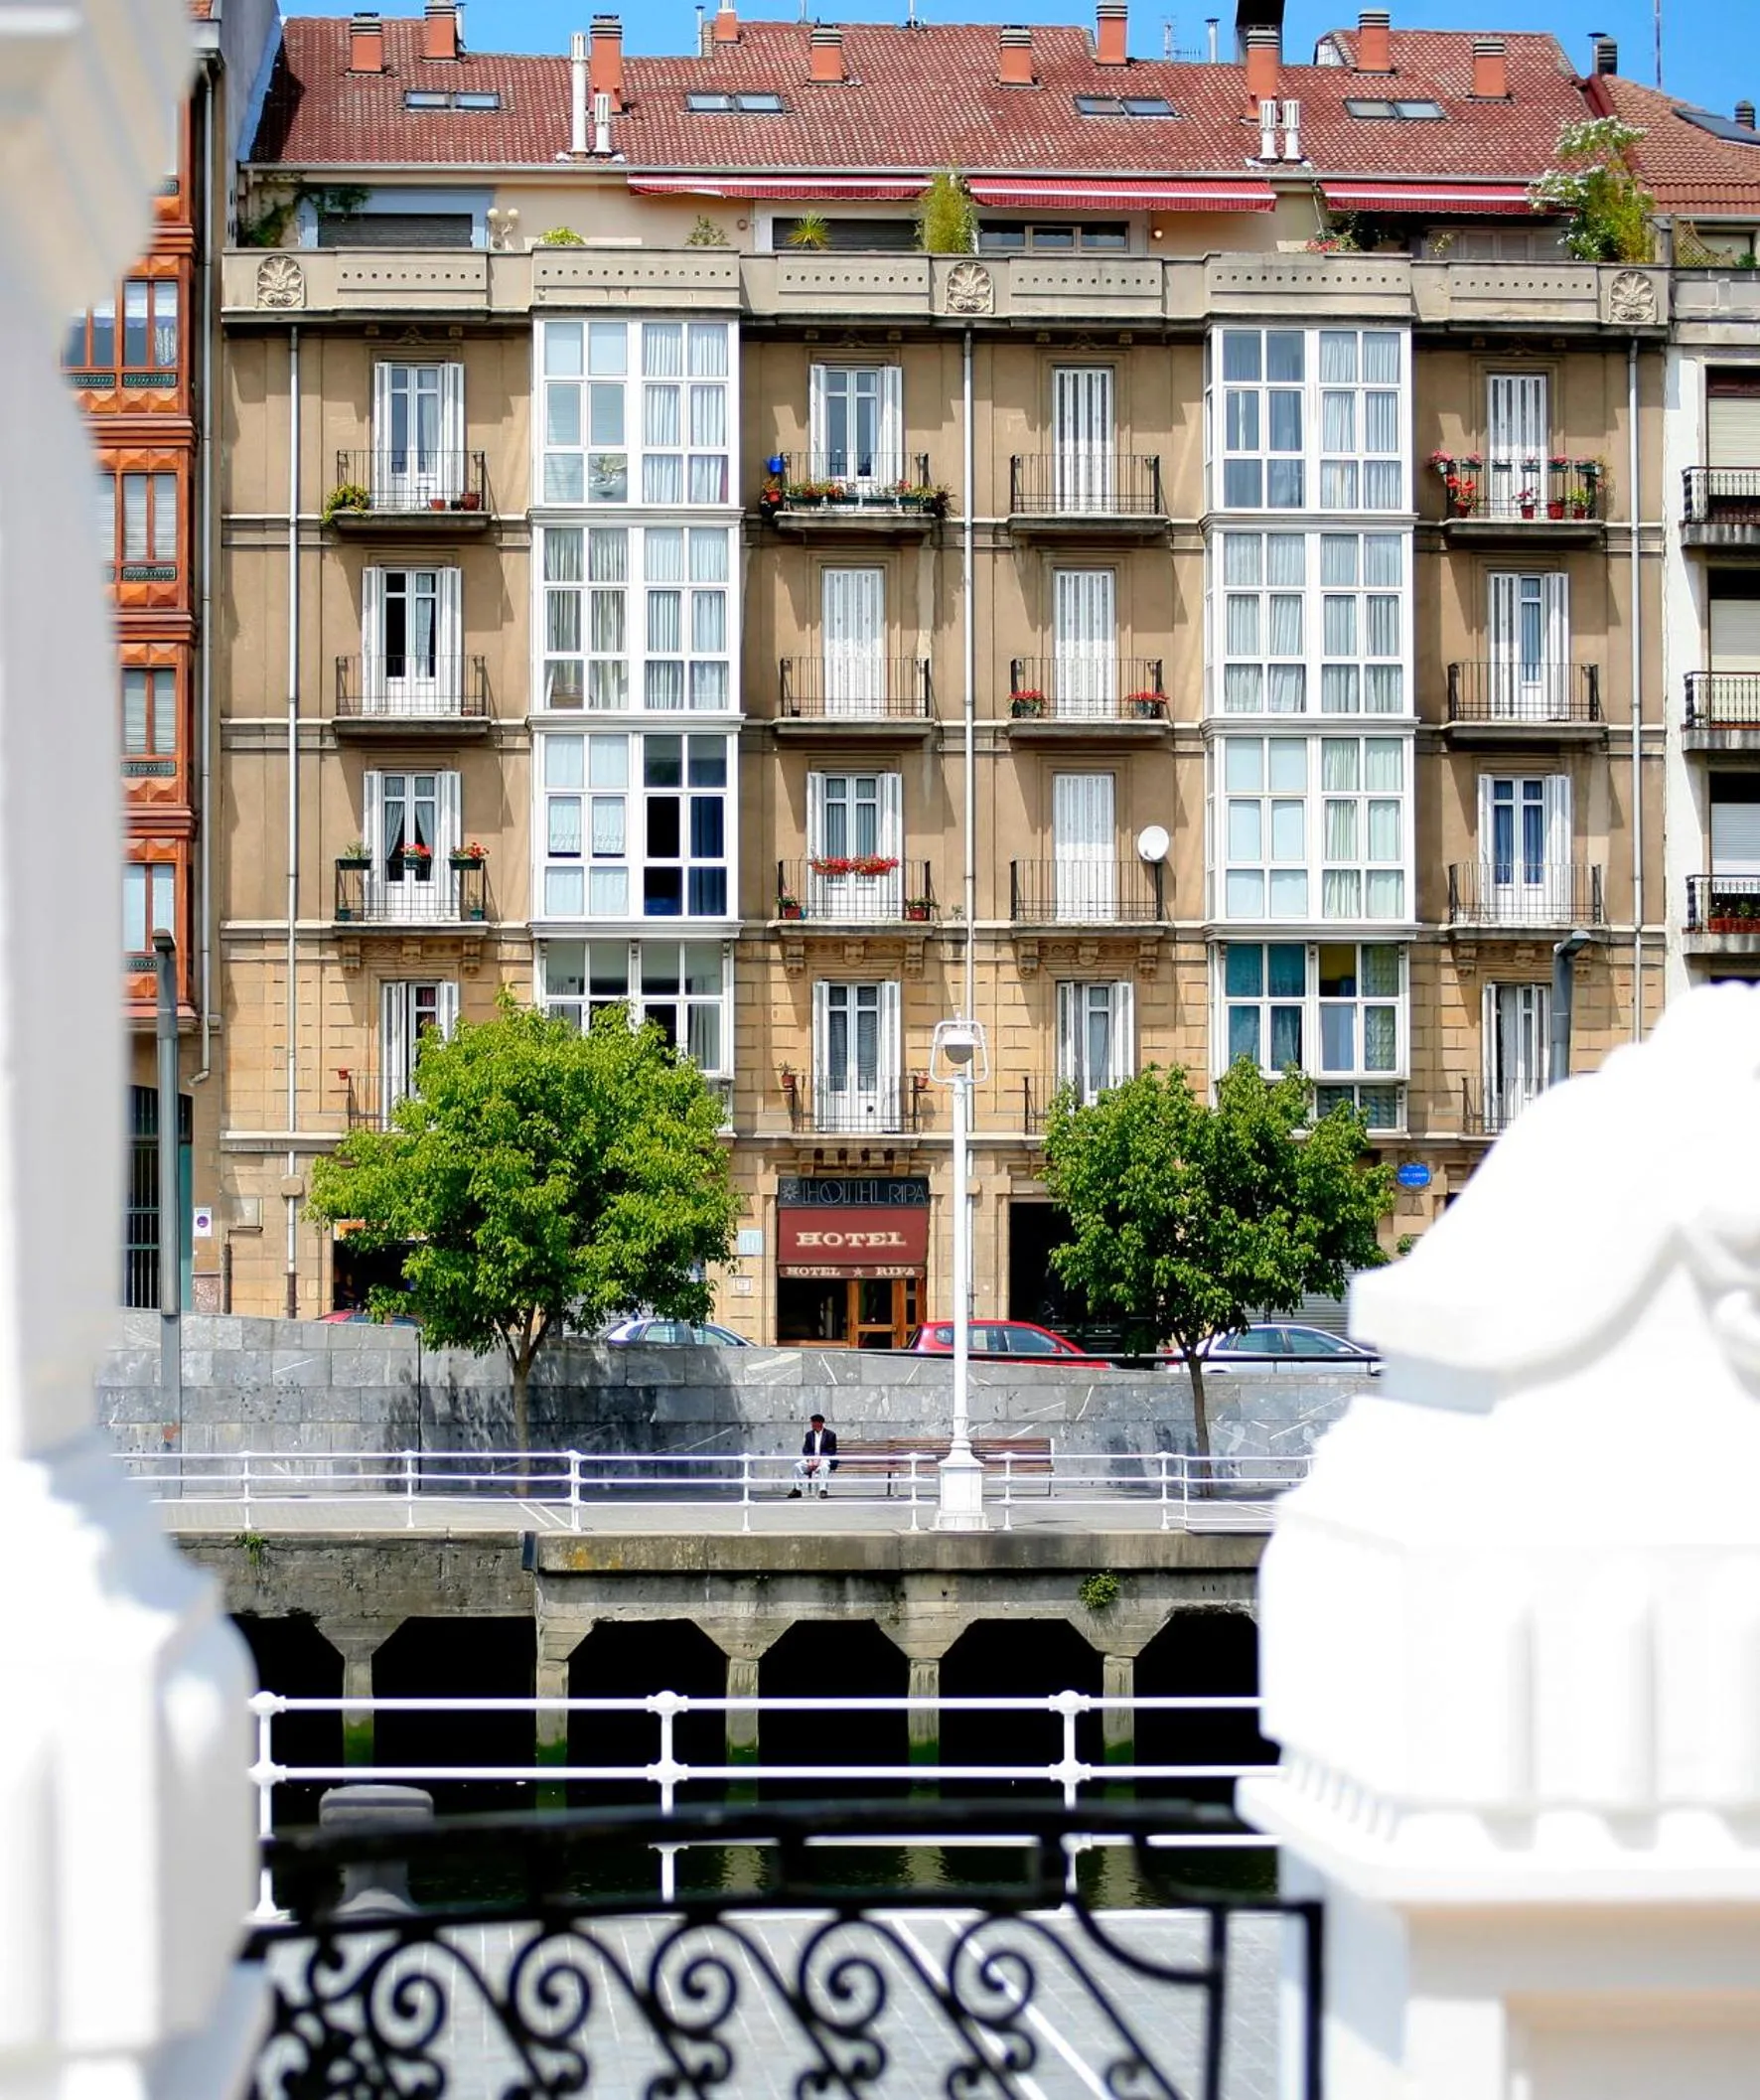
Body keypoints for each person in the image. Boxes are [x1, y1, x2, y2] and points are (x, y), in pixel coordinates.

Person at [790, 1414, 838, 1498]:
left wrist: (819, 1459)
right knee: (797, 1466)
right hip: (811, 1460)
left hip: (824, 1459)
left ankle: (823, 1490)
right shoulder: (809, 1435)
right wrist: (810, 1459)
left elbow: (832, 1451)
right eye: (812, 1423)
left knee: (824, 1467)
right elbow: (805, 1449)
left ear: (819, 1423)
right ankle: (797, 1490)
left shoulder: (831, 1435)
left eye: (813, 1423)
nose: (812, 1424)